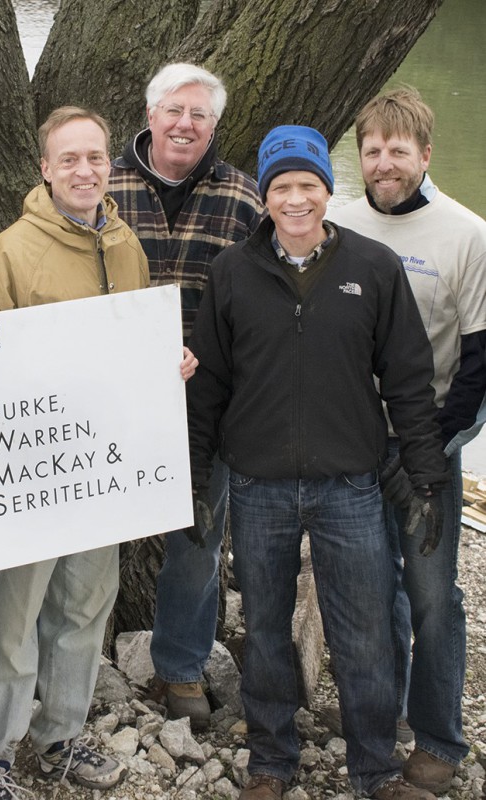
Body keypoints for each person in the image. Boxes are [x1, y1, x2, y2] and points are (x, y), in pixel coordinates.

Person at [186, 125, 447, 800]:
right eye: (281, 188)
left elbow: (409, 381)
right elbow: (208, 385)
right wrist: (192, 483)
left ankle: (376, 767)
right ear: (264, 198)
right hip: (259, 486)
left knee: (363, 637)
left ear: (328, 192)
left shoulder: (375, 268)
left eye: (308, 185)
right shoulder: (232, 273)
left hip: (350, 487)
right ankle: (272, 760)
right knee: (266, 630)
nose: (295, 200)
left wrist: (424, 477)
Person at [0, 106, 196, 799]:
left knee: (85, 608)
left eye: (95, 157)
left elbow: (128, 353)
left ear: (110, 165)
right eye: (69, 158)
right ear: (45, 168)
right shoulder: (12, 249)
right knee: (15, 618)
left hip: (103, 469)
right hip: (35, 466)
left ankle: (62, 734)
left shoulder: (126, 246)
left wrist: (166, 365)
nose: (84, 170)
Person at [329, 86, 486, 794]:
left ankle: (440, 738)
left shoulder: (465, 234)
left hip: (426, 445)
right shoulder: (335, 219)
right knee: (370, 591)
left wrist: (437, 447)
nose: (384, 163)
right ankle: (379, 714)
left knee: (431, 596)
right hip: (351, 444)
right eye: (372, 150)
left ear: (424, 154)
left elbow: (480, 357)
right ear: (358, 156)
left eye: (399, 150)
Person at [106, 62, 263, 729]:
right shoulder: (102, 186)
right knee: (87, 533)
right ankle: (71, 669)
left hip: (207, 406)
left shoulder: (245, 200)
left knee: (197, 540)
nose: (185, 125)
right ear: (149, 116)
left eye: (199, 115)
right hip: (108, 399)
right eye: (174, 110)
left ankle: (180, 667)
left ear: (215, 126)